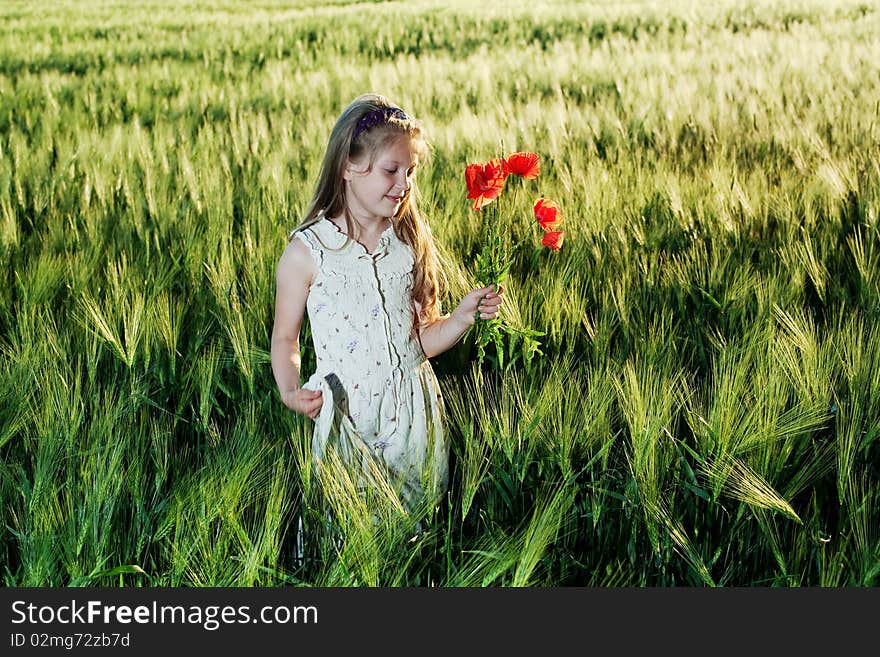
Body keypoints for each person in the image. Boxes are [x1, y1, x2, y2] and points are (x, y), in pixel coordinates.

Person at [271, 93, 503, 515]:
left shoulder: (408, 244)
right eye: (391, 170)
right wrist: (290, 389)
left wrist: (462, 318)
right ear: (347, 167)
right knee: (351, 527)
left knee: (416, 530)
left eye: (410, 172)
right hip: (348, 418)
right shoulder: (309, 252)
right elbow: (286, 335)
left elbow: (421, 340)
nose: (404, 185)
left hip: (413, 416)